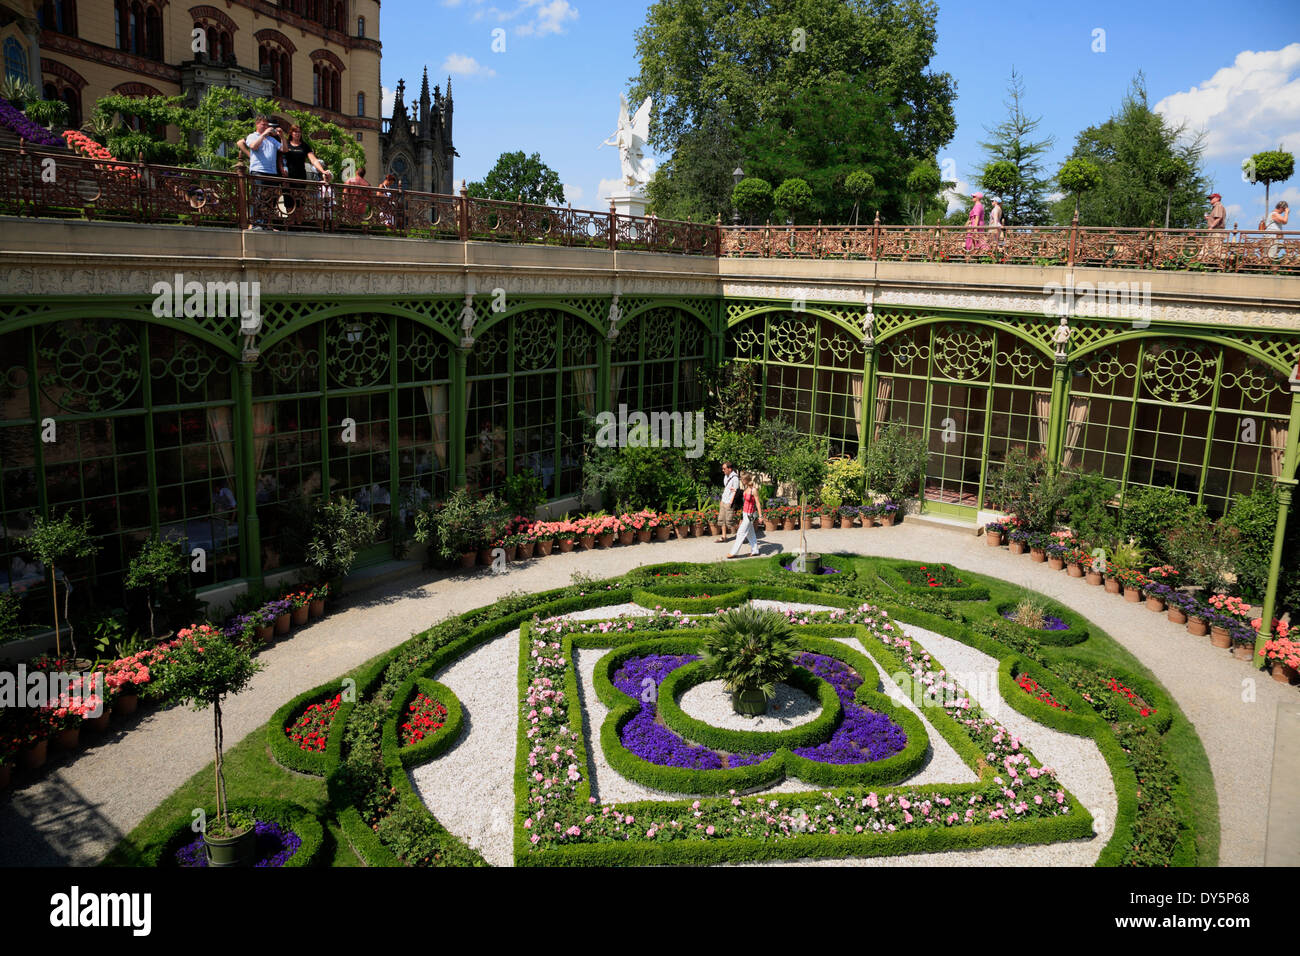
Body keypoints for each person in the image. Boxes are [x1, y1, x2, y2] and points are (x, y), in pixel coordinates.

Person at [236, 115, 284, 230]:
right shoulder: (253, 136)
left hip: (272, 172)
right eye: (264, 124)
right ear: (257, 124)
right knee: (258, 197)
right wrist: (263, 134)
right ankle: (255, 224)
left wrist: (282, 137)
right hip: (259, 171)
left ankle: (266, 224)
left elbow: (284, 149)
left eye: (267, 125)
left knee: (270, 198)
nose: (267, 127)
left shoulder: (272, 139)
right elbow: (252, 146)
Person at [280, 124, 332, 223]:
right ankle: (291, 224)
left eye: (299, 132)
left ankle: (299, 224)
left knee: (299, 203)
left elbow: (313, 160)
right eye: (295, 132)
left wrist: (323, 171)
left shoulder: (304, 145)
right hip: (288, 177)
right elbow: (280, 158)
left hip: (300, 177)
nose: (297, 134)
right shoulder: (286, 143)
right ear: (291, 133)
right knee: (289, 202)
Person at [727, 472, 763, 558]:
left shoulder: (753, 490)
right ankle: (755, 551)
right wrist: (736, 491)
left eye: (742, 479)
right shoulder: (746, 488)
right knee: (750, 533)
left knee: (740, 532)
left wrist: (760, 516)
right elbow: (743, 493)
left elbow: (758, 503)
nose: (741, 480)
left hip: (750, 514)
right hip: (745, 513)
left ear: (746, 480)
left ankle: (733, 552)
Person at [716, 461, 740, 543]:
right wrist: (722, 500)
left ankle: (742, 533)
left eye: (724, 468)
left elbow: (735, 491)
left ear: (729, 469)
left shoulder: (735, 478)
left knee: (729, 521)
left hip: (729, 502)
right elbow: (726, 488)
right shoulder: (726, 476)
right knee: (722, 519)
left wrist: (731, 502)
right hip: (724, 501)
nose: (723, 470)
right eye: (722, 468)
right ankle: (724, 537)